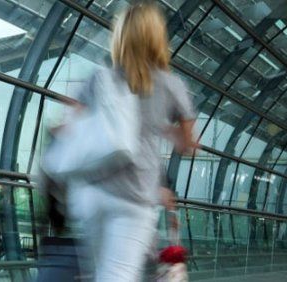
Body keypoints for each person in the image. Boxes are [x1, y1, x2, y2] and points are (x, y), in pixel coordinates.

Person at [65, 3, 197, 281]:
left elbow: (69, 129)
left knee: (101, 274)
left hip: (93, 195)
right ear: (156, 37)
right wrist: (167, 131)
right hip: (134, 197)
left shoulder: (98, 79)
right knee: (116, 276)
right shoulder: (170, 85)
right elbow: (186, 145)